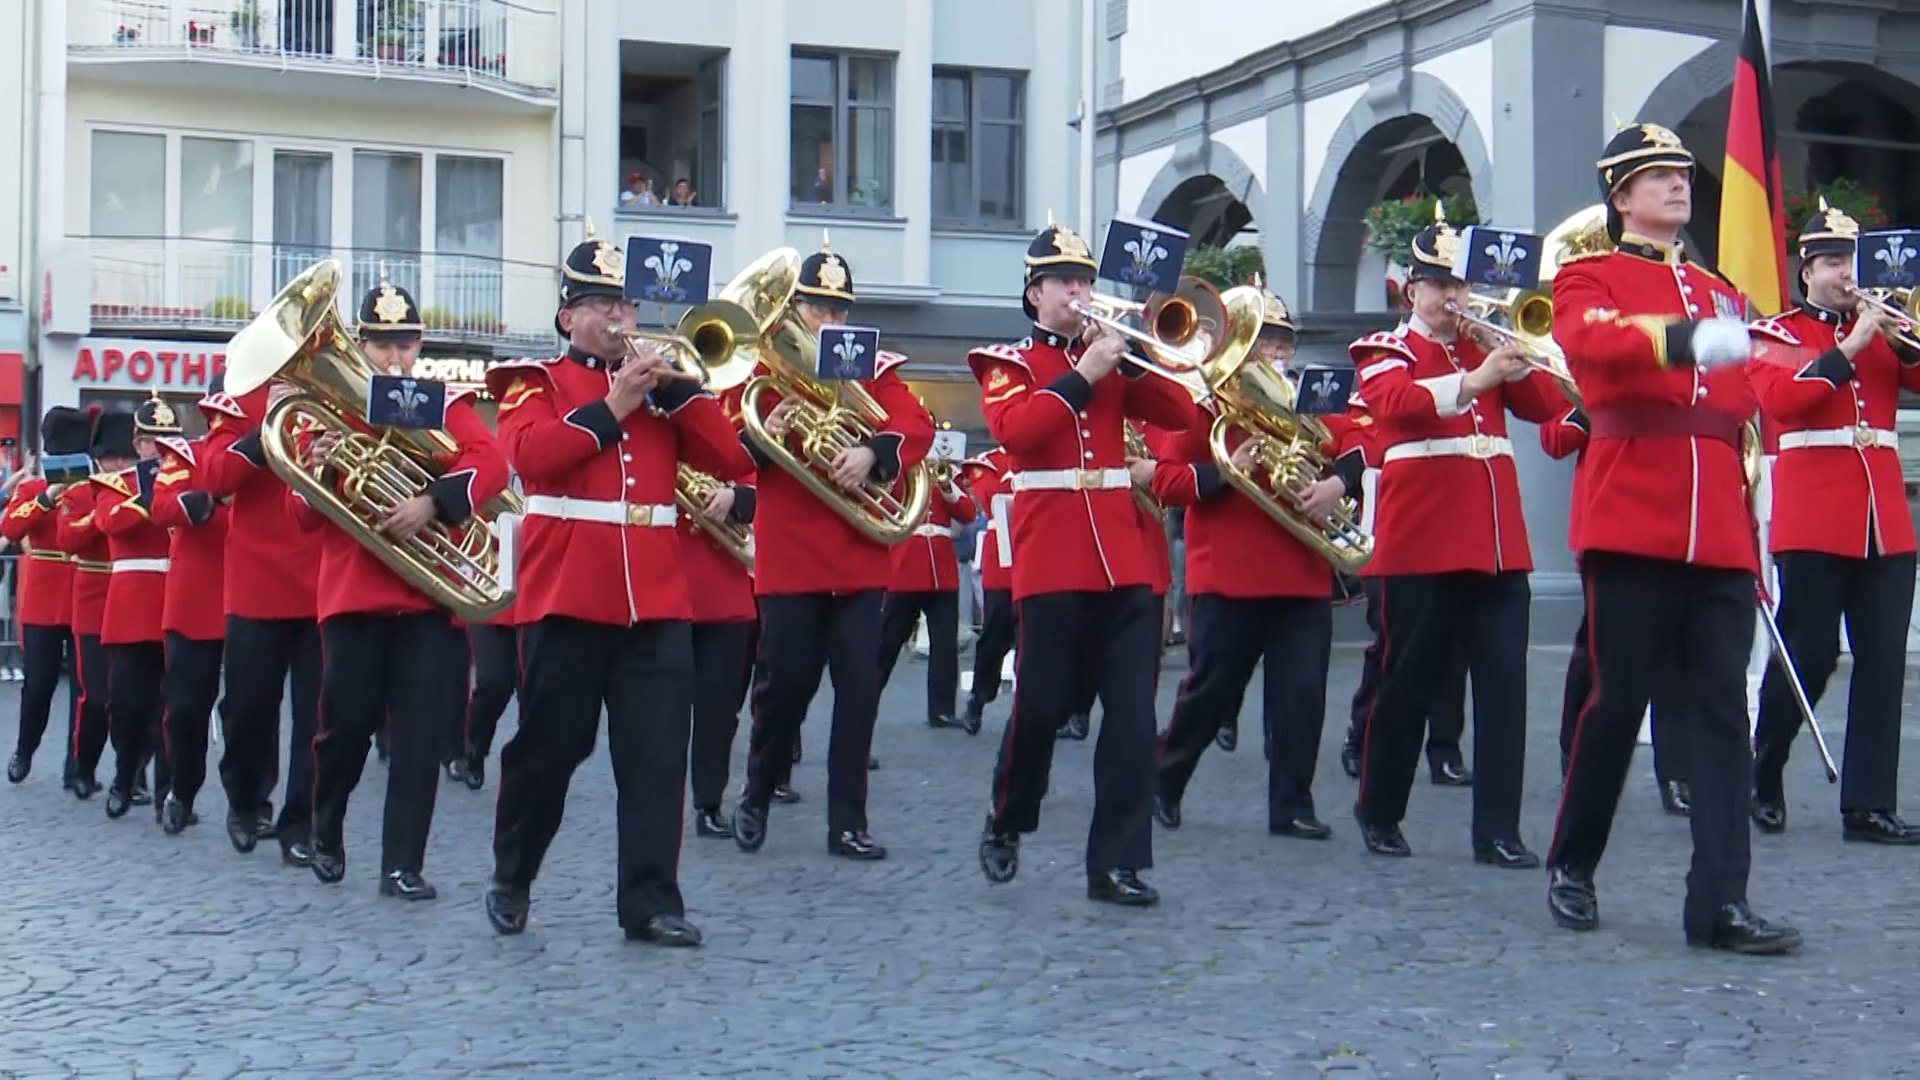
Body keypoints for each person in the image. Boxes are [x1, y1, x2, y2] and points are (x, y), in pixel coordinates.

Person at [1546, 122, 1799, 954]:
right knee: (1616, 703)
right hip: (1632, 513)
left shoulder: (1720, 289)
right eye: (1657, 178)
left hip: (1719, 525)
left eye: (1681, 175)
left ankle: (1720, 904)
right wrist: (1681, 340)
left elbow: (1746, 389)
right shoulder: (1590, 273)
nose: (1678, 187)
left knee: (1724, 713)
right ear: (1622, 197)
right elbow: (1586, 342)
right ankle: (1574, 861)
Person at [485, 235, 753, 945]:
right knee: (550, 751)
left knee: (657, 757)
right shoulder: (531, 382)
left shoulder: (666, 395)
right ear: (568, 316)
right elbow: (534, 457)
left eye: (626, 302)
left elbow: (731, 459)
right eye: (603, 303)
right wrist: (614, 403)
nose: (619, 316)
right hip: (568, 595)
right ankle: (513, 875)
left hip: (657, 599)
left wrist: (683, 393)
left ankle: (651, 902)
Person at [970, 222, 1195, 905]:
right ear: (1035, 293)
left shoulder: (1112, 360)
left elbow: (1182, 414)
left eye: (1086, 281)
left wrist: (1136, 363)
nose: (1080, 292)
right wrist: (1084, 374)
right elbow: (1018, 435)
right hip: (1053, 560)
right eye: (1066, 282)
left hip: (1123, 560)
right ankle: (1008, 817)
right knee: (1039, 710)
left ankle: (1117, 863)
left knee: (1130, 720)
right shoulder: (1009, 364)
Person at [1348, 208, 1563, 866]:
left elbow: (1550, 412)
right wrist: (1474, 379)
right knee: (1407, 682)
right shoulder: (1384, 350)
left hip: (1497, 545)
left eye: (1460, 286)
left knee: (1503, 690)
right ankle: (1380, 808)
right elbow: (1396, 409)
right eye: (1439, 286)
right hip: (1422, 545)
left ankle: (1497, 830)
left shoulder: (1485, 346)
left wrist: (1517, 359)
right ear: (1411, 291)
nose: (1453, 298)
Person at [293, 281, 508, 897]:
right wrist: (321, 466)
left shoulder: (443, 403)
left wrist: (433, 502)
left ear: (420, 345)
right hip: (355, 597)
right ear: (359, 346)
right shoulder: (330, 414)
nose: (395, 358)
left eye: (405, 343)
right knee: (344, 729)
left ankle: (401, 865)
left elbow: (491, 462)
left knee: (420, 738)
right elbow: (302, 519)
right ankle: (326, 828)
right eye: (382, 344)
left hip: (427, 602)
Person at [731, 239, 934, 860]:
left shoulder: (876, 369)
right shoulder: (758, 373)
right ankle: (758, 792)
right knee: (784, 690)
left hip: (858, 558)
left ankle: (848, 820)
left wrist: (873, 452)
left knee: (859, 694)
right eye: (818, 308)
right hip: (791, 560)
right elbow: (726, 448)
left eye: (840, 310)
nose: (832, 322)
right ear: (792, 309)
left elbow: (917, 426)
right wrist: (772, 432)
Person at [1150, 282, 1367, 838]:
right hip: (1229, 572)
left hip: (1300, 570)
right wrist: (1224, 472)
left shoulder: (1311, 398)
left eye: (1282, 344)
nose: (1274, 353)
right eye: (1264, 343)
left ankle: (1292, 804)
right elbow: (1168, 481)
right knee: (1209, 691)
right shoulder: (1204, 404)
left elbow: (1363, 440)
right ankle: (1163, 781)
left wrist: (1338, 481)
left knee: (1302, 696)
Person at [1747, 203, 1920, 844]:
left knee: (1881, 663)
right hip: (1815, 520)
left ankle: (1868, 806)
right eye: (1832, 263)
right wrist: (1852, 344)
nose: (1846, 275)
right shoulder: (1780, 332)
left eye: (1853, 262)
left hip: (1884, 523)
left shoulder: (1886, 326)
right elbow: (1784, 399)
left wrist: (1898, 332)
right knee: (1810, 657)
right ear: (1807, 271)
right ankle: (1764, 768)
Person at [201, 361, 326, 866]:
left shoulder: (330, 397)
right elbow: (212, 474)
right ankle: (246, 800)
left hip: (320, 578)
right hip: (256, 581)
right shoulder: (238, 400)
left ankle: (301, 821)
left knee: (316, 716)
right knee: (249, 708)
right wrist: (265, 430)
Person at [1540, 404, 1692, 816]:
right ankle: (1576, 752)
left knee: (1674, 645)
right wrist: (1600, 400)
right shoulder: (1593, 363)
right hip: (1611, 515)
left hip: (1674, 508)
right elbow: (1555, 438)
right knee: (1601, 645)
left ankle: (1677, 771)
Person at [681, 383, 758, 838]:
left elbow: (765, 486)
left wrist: (735, 498)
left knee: (719, 710)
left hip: (726, 591)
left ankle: (709, 800)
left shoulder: (734, 438)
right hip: (669, 586)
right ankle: (660, 797)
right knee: (662, 709)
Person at [151, 396, 230, 835]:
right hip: (198, 598)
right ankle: (180, 789)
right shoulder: (188, 455)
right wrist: (203, 501)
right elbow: (162, 506)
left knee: (251, 709)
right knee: (184, 708)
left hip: (256, 588)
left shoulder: (275, 451)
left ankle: (250, 799)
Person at [91, 399, 173, 820]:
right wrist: (149, 497)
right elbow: (110, 523)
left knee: (171, 707)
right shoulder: (116, 484)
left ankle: (168, 794)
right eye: (153, 441)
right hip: (130, 601)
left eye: (169, 440)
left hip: (174, 598)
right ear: (138, 443)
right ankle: (125, 778)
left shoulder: (185, 479)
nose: (160, 448)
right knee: (126, 703)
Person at [2, 407, 88, 784]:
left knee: (85, 690)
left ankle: (76, 764)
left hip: (84, 590)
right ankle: (24, 749)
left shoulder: (92, 489)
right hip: (44, 596)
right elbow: (10, 524)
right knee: (39, 683)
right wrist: (47, 499)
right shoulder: (33, 489)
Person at [875, 458, 977, 730]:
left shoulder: (944, 471)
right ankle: (864, 700)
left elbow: (967, 513)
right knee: (887, 642)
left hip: (941, 569)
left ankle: (942, 709)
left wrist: (946, 486)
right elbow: (880, 506)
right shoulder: (896, 469)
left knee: (945, 644)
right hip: (906, 562)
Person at [54, 407, 119, 801]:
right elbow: (66, 538)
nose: (119, 463)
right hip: (93, 596)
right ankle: (82, 765)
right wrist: (104, 515)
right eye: (113, 457)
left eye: (125, 456)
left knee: (134, 695)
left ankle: (133, 773)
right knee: (93, 693)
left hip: (133, 595)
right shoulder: (79, 491)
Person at [447, 480, 522, 793]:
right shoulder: (497, 457)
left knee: (537, 689)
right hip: (491, 583)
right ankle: (473, 748)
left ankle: (531, 765)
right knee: (494, 682)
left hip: (539, 587)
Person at [957, 447, 1014, 737]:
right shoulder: (989, 461)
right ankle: (978, 698)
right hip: (1003, 558)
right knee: (994, 635)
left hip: (1043, 551)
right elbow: (990, 499)